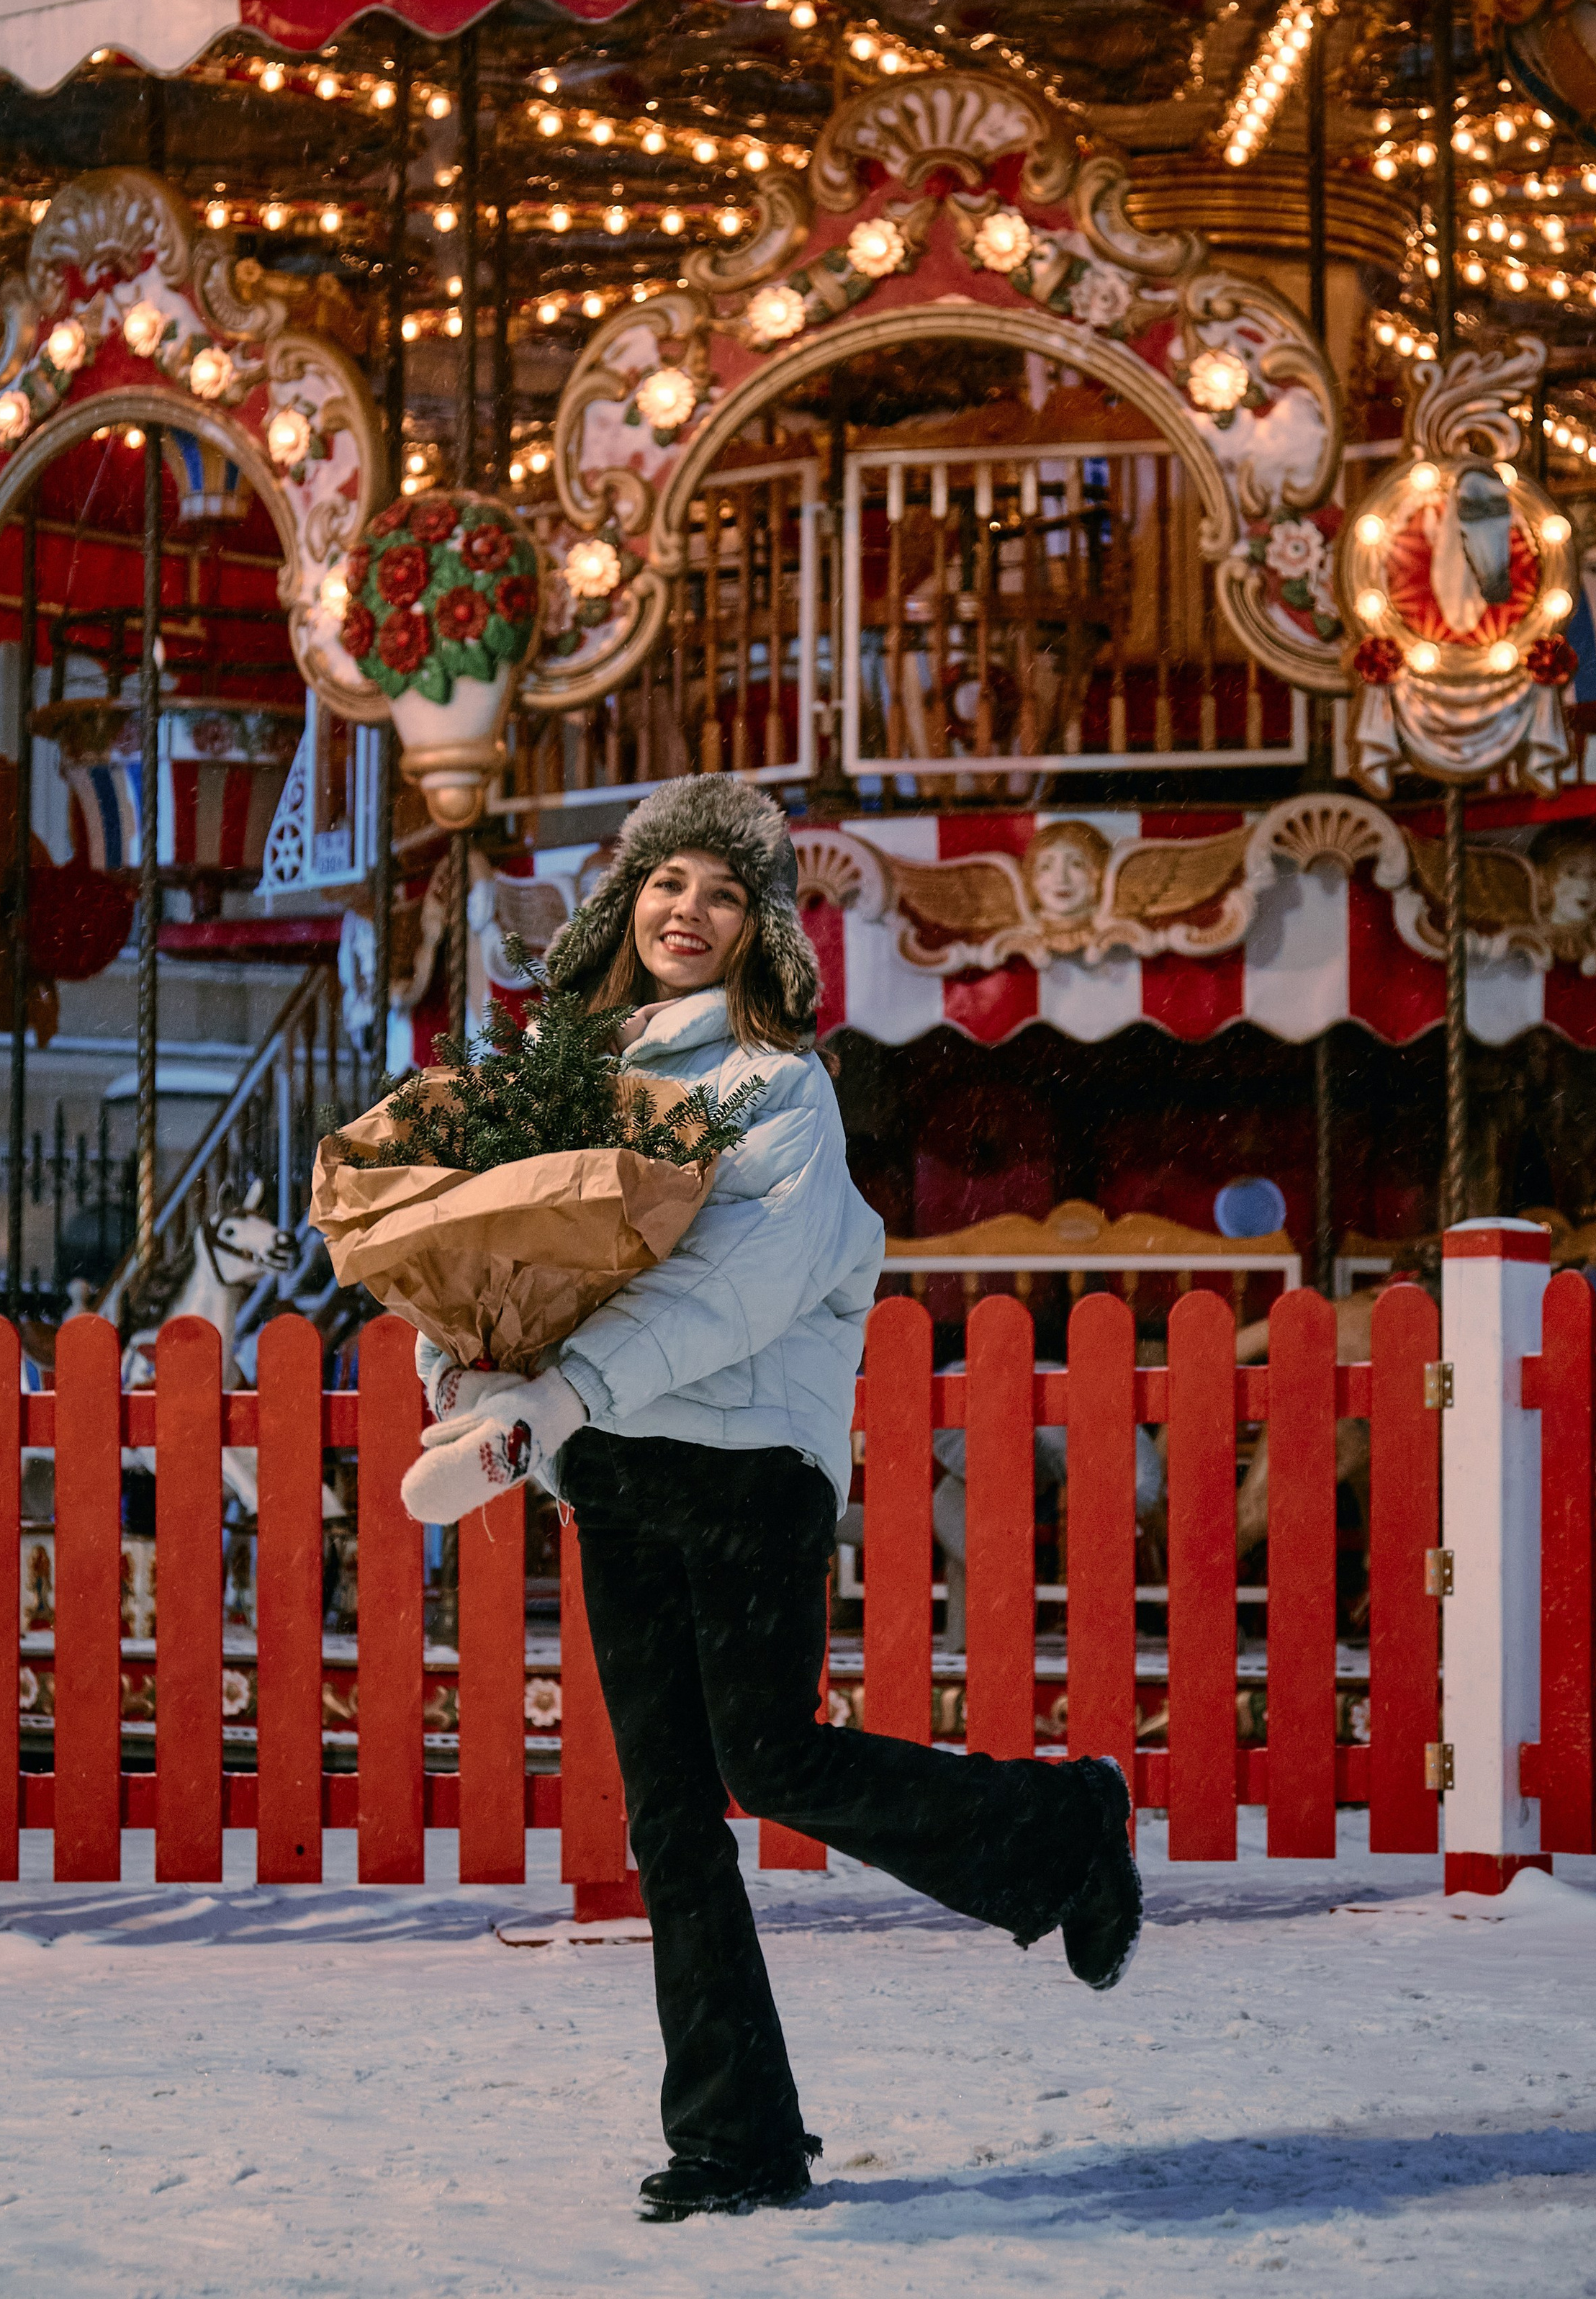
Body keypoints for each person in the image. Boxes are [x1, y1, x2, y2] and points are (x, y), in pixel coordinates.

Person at [405, 777, 1142, 2221]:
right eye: (667, 883)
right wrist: (471, 1355)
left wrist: (557, 1392)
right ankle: (733, 2137)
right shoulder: (573, 1077)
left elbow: (737, 1293)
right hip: (611, 1477)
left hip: (741, 1482)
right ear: (628, 904)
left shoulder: (777, 1091)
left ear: (758, 930)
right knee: (671, 1823)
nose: (688, 911)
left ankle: (1064, 1828)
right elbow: (489, 1254)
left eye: (722, 892)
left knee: (769, 1759)